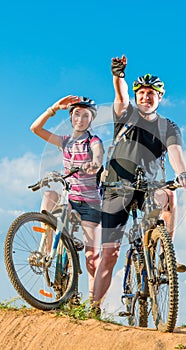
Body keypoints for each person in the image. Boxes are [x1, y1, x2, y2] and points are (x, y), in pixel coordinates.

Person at [92, 55, 186, 311]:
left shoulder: (168, 126)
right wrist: (119, 76)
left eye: (151, 93)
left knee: (169, 196)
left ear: (160, 97)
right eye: (142, 93)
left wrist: (182, 173)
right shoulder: (126, 114)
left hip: (148, 187)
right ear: (136, 96)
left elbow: (175, 153)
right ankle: (93, 308)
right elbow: (120, 94)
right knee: (110, 254)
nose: (146, 97)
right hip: (117, 187)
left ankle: (164, 254)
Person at [30, 95, 104, 302]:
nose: (80, 119)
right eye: (77, 114)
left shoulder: (93, 141)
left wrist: (95, 164)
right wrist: (53, 108)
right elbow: (35, 129)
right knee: (49, 195)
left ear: (91, 120)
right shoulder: (65, 141)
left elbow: (98, 155)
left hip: (90, 203)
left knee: (92, 259)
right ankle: (45, 252)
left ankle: (94, 305)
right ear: (71, 118)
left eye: (85, 115)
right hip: (69, 198)